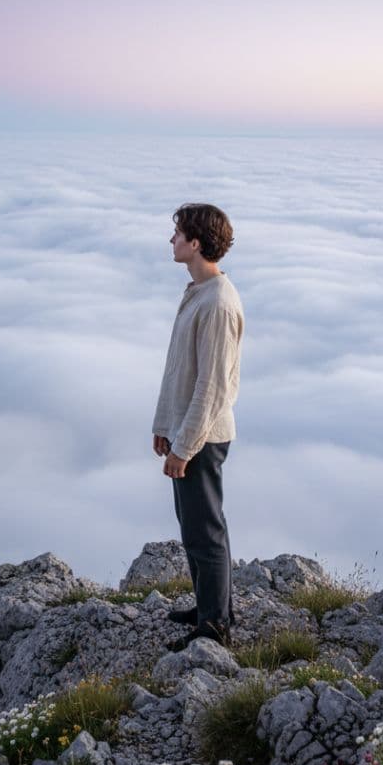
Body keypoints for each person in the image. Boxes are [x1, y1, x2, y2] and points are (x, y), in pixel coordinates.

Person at [152, 202, 244, 648]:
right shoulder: (198, 292)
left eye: (178, 234)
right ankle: (210, 607)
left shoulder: (218, 304)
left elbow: (212, 387)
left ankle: (215, 627)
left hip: (203, 438)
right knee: (194, 525)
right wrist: (163, 425)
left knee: (205, 531)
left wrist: (184, 447)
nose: (172, 240)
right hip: (189, 430)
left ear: (196, 242)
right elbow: (178, 370)